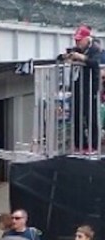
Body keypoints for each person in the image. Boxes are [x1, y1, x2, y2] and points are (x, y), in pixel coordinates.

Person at [61, 25, 102, 155]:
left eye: (79, 40)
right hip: (78, 86)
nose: (77, 43)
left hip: (90, 87)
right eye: (76, 40)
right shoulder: (76, 49)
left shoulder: (95, 49)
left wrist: (81, 58)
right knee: (77, 115)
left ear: (87, 39)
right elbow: (63, 57)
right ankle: (80, 144)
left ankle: (94, 146)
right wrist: (67, 56)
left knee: (91, 116)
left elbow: (95, 63)